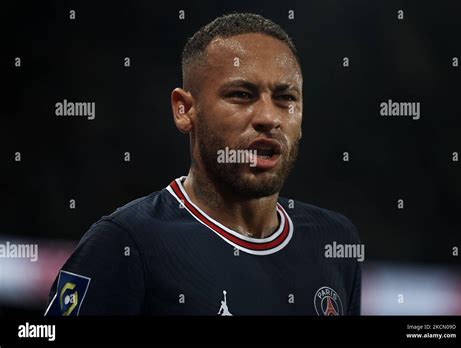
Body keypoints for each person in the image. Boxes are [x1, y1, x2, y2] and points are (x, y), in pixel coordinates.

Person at [45, 12, 361, 316]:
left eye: (286, 98)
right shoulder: (126, 244)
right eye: (241, 94)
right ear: (184, 110)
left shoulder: (334, 240)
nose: (269, 117)